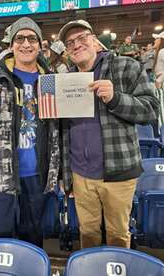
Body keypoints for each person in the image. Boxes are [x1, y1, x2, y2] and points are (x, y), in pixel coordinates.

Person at [58, 19, 159, 249]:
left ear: (94, 40)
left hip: (118, 172)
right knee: (88, 233)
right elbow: (64, 130)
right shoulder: (64, 80)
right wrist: (65, 173)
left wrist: (116, 98)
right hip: (80, 175)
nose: (76, 44)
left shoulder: (126, 66)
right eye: (70, 42)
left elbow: (151, 109)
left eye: (82, 38)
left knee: (118, 234)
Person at [0, 17, 59, 247]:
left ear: (40, 44)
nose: (26, 43)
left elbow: (59, 128)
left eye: (32, 38)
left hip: (37, 176)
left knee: (32, 242)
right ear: (11, 45)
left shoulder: (51, 80)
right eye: (20, 38)